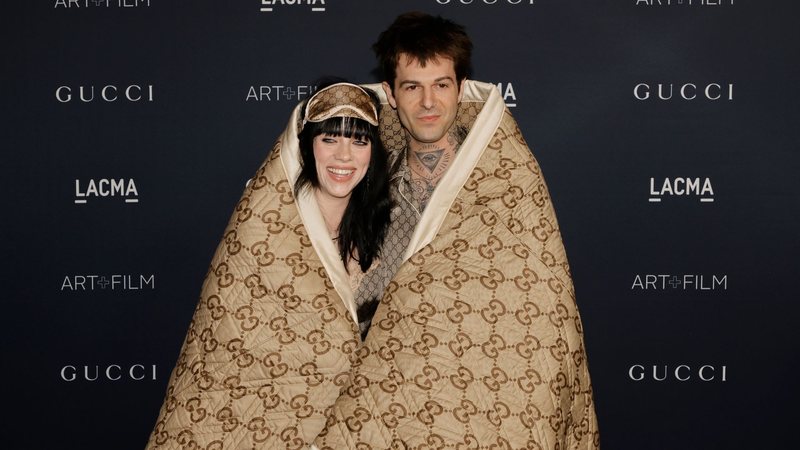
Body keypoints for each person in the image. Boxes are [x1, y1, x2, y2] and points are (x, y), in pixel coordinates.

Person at [312, 12, 600, 449]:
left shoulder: (507, 182)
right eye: (412, 86)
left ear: (461, 88)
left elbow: (542, 319)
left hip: (477, 405)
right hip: (378, 397)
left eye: (441, 85)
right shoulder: (362, 182)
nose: (428, 102)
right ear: (390, 94)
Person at [144, 82, 392, 449]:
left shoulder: (380, 235)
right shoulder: (263, 227)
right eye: (329, 139)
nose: (344, 156)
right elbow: (233, 346)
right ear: (305, 146)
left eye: (359, 141)